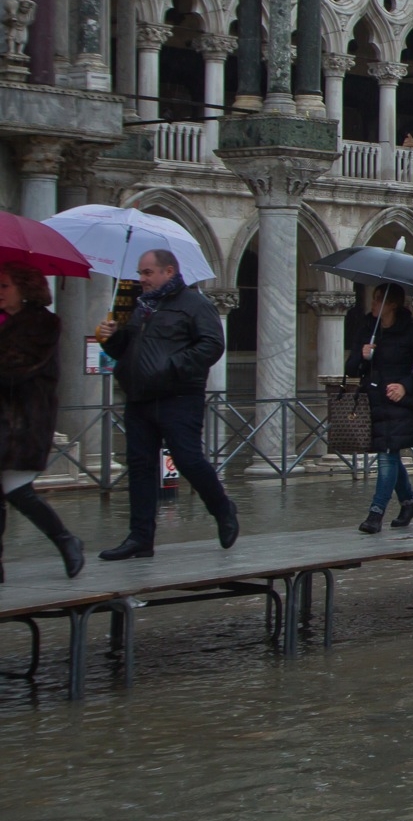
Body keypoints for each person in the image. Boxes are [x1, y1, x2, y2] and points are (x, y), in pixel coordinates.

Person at [96, 248, 236, 560]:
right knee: (141, 467)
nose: (141, 279)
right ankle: (140, 537)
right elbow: (131, 352)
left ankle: (222, 508)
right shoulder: (143, 307)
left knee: (188, 460)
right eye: (140, 273)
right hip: (140, 397)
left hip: (179, 396)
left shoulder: (195, 304)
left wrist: (172, 367)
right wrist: (113, 338)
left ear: (168, 272)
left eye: (147, 272)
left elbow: (213, 344)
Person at [0, 263, 84, 581]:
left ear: (25, 289)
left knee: (17, 488)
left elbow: (15, 369)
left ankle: (66, 539)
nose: (0, 291)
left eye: (6, 285)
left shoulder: (41, 324)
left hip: (22, 422)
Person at [345, 283, 413, 534]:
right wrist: (363, 355)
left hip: (399, 404)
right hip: (374, 402)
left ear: (392, 304)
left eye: (378, 299)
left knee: (386, 456)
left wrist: (405, 386)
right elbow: (351, 369)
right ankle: (409, 503)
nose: (373, 304)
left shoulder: (412, 333)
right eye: (373, 299)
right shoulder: (366, 330)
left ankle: (376, 512)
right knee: (390, 455)